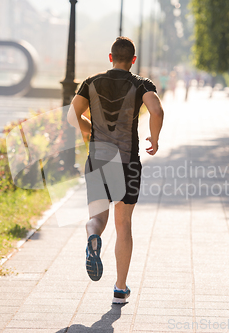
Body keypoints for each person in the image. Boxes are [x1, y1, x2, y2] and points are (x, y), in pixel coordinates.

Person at [68, 37, 164, 304]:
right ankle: (120, 288)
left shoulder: (91, 82)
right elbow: (156, 110)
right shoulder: (140, 84)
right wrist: (154, 139)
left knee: (97, 218)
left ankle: (93, 238)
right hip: (127, 162)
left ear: (110, 58)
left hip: (97, 160)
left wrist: (90, 131)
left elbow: (71, 115)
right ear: (132, 60)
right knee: (123, 225)